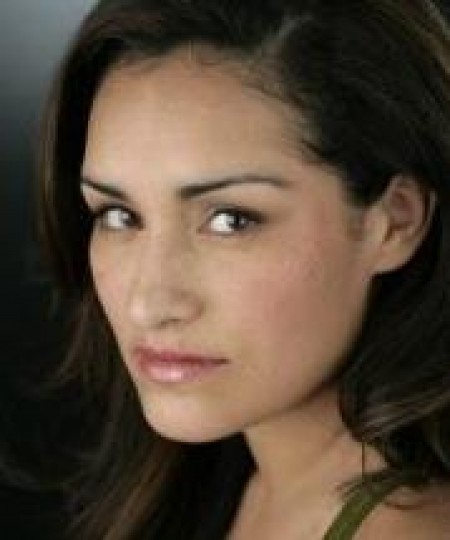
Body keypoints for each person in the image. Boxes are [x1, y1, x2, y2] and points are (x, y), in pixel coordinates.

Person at [37, 0, 450, 538]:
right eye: (119, 215)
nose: (148, 304)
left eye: (230, 220)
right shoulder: (216, 483)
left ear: (395, 222)